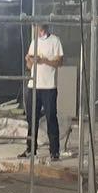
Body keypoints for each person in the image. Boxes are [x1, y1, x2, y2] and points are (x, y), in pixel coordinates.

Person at [22, 21, 64, 162]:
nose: (36, 30)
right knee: (31, 118)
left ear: (43, 28)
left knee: (51, 117)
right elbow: (29, 66)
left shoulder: (55, 41)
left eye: (37, 27)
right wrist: (29, 60)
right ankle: (30, 149)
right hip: (33, 85)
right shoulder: (34, 42)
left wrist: (44, 60)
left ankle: (54, 151)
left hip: (49, 87)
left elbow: (59, 62)